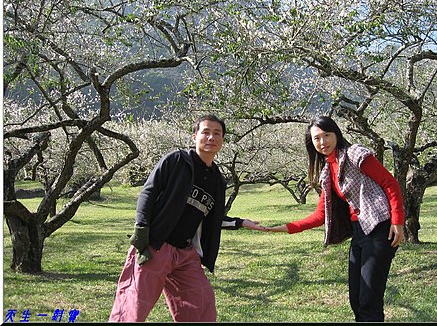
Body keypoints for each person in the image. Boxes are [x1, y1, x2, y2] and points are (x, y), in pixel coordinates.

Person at [109, 114, 265, 322]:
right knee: (133, 307)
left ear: (222, 140)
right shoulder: (178, 160)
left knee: (201, 305)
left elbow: (213, 217)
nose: (211, 137)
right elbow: (149, 192)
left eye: (217, 134)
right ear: (195, 136)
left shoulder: (218, 180)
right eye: (206, 132)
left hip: (186, 254)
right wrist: (142, 229)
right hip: (156, 246)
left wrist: (240, 222)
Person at [265, 116, 404, 322]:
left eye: (327, 135)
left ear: (336, 134)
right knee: (356, 300)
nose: (323, 142)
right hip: (359, 234)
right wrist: (284, 228)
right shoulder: (328, 171)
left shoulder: (356, 154)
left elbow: (390, 183)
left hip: (379, 228)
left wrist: (397, 221)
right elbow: (320, 216)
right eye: (317, 138)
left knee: (369, 300)